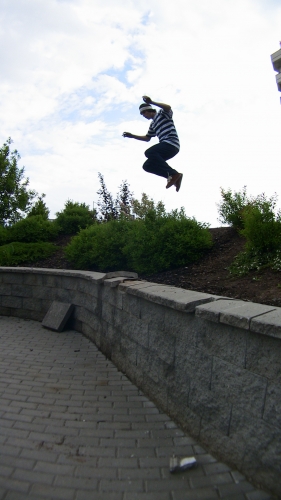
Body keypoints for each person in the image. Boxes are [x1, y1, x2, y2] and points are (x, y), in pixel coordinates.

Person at [123, 96, 183, 192]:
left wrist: (152, 102)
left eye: (144, 113)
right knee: (147, 166)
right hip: (166, 148)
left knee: (149, 152)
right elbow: (147, 138)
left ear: (149, 110)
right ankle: (172, 177)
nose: (144, 116)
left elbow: (168, 107)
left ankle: (173, 174)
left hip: (171, 144)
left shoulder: (162, 114)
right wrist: (132, 136)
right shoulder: (152, 124)